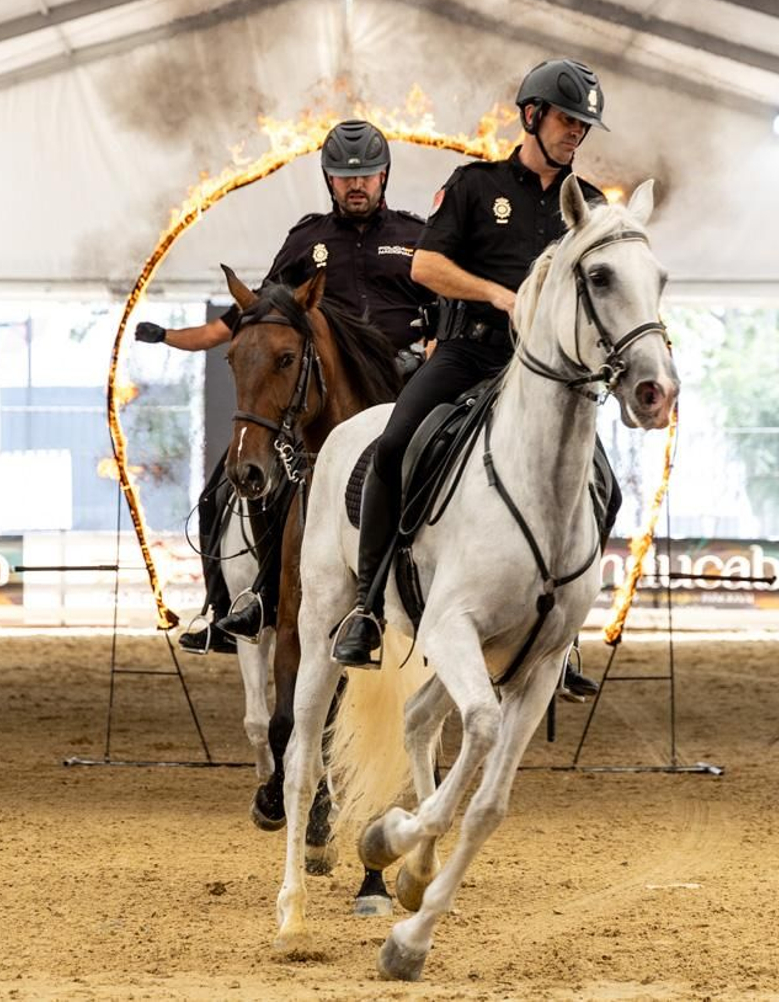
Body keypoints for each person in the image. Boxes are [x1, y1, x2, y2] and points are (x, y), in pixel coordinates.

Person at [330, 58, 617, 701]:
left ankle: (561, 633)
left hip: (549, 375)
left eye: (584, 126)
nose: (577, 134)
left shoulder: (590, 205)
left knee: (606, 483)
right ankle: (368, 606)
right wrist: (500, 296)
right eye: (568, 120)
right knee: (396, 444)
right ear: (532, 116)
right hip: (469, 354)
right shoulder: (474, 185)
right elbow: (427, 268)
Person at [136, 120, 433, 653]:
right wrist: (171, 337)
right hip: (318, 392)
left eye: (365, 174)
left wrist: (433, 346)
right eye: (344, 176)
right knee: (220, 492)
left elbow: (447, 308)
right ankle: (239, 605)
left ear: (384, 175)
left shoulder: (416, 238)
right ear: (328, 180)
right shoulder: (307, 240)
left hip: (403, 385)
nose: (356, 184)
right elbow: (254, 315)